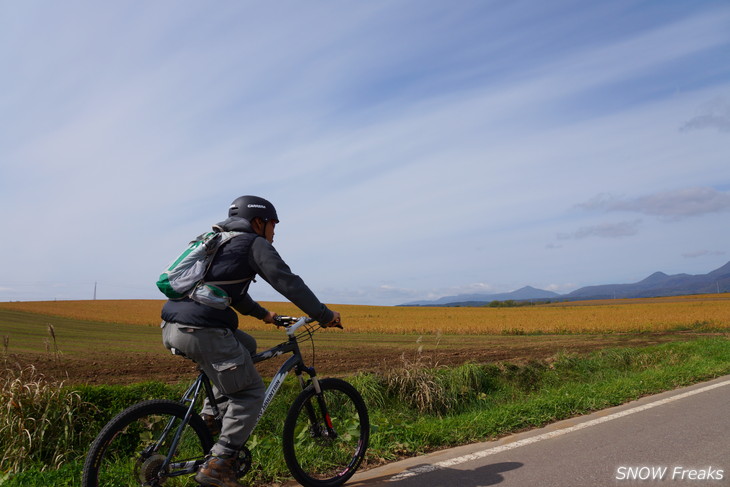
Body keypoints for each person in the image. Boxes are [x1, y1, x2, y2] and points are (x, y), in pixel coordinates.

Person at [160, 195, 341, 487]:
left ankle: (210, 419)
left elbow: (234, 292)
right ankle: (220, 464)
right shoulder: (254, 244)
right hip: (202, 330)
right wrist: (324, 314)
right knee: (249, 393)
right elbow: (288, 282)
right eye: (273, 224)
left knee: (246, 346)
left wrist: (265, 315)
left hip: (172, 326)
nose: (274, 231)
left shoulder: (221, 242)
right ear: (258, 222)